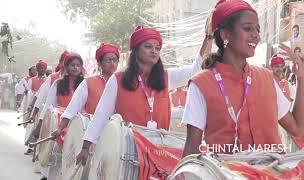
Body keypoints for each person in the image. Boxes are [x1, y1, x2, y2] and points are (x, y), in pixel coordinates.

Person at [182, 0, 304, 156]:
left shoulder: (266, 78)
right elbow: (191, 150)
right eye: (248, 28)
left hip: (274, 174)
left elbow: (297, 129)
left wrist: (301, 79)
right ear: (226, 35)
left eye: (257, 30)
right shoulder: (201, 84)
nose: (256, 35)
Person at [76, 25, 212, 165]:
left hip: (160, 152)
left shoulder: (166, 77)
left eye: (157, 48)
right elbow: (101, 115)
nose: (154, 51)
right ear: (136, 50)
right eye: (148, 46)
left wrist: (208, 38)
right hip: (128, 154)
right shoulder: (118, 79)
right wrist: (86, 147)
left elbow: (195, 70)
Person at [32, 52, 84, 180]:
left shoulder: (86, 84)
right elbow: (48, 107)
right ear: (66, 66)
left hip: (79, 126)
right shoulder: (58, 84)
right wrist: (40, 125)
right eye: (72, 65)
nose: (75, 68)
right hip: (59, 125)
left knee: (73, 162)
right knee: (57, 159)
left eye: (78, 65)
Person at [52, 43, 120, 137]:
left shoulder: (125, 82)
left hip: (117, 134)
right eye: (108, 60)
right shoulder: (88, 82)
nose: (112, 63)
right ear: (99, 63)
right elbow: (73, 108)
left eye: (115, 60)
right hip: (91, 131)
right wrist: (60, 128)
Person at [29, 51, 68, 122]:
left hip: (70, 118)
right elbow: (40, 97)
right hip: (52, 116)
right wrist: (34, 114)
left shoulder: (78, 80)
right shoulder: (52, 77)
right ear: (60, 62)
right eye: (65, 61)